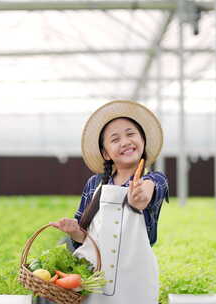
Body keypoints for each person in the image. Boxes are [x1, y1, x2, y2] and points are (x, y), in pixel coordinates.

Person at [49, 100, 169, 304]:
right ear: (106, 153)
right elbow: (83, 236)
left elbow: (146, 193)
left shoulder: (154, 180)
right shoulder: (94, 184)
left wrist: (140, 197)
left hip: (134, 281)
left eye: (131, 134)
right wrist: (73, 230)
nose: (125, 142)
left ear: (143, 140)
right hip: (94, 280)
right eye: (115, 139)